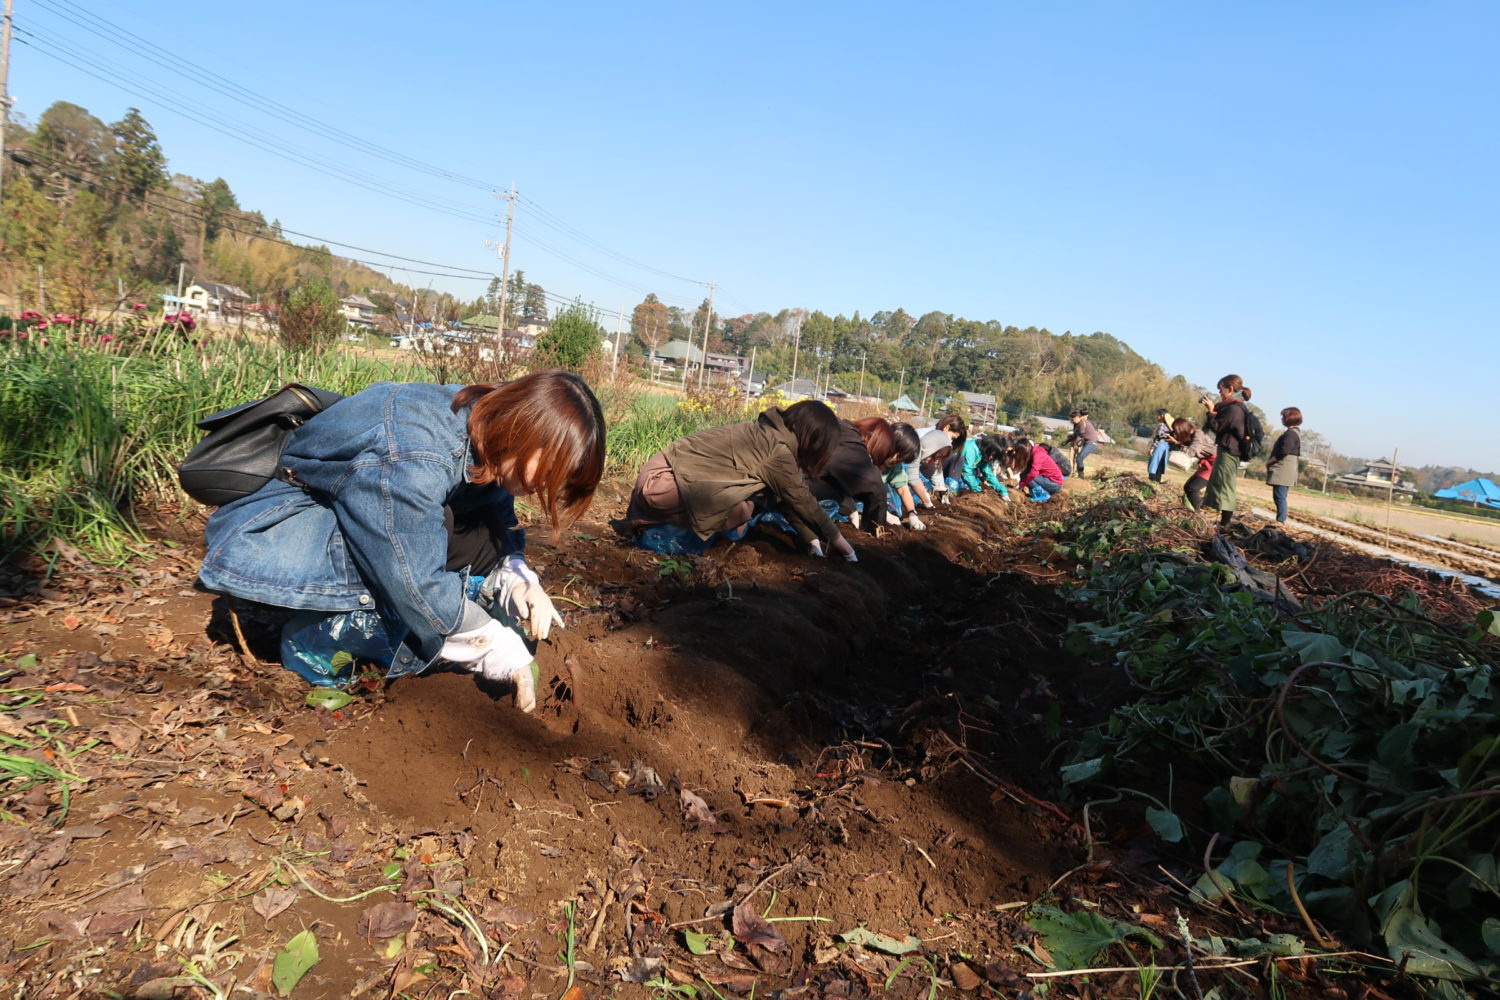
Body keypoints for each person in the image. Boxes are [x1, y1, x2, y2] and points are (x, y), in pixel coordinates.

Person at [198, 371, 607, 711]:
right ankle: (313, 636)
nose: (545, 486)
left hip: (363, 512)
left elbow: (496, 520)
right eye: (550, 470)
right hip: (278, 530)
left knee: (464, 533)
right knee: (412, 566)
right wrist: (488, 643)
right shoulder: (414, 459)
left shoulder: (486, 425)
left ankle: (459, 606)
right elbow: (413, 580)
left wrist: (517, 577)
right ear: (523, 429)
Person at [621, 399, 858, 561]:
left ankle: (649, 521)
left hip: (657, 477)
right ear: (813, 439)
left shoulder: (768, 433)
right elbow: (802, 501)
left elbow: (788, 499)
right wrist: (845, 548)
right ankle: (654, 526)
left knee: (761, 497)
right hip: (662, 485)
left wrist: (812, 540)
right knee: (747, 506)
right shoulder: (776, 450)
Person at [807, 416, 922, 535]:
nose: (897, 460)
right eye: (897, 455)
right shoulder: (856, 452)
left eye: (901, 459)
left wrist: (912, 513)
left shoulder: (893, 466)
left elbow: (903, 489)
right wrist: (853, 508)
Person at [1199, 374, 1254, 528]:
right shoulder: (1234, 407)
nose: (1219, 393)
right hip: (1228, 450)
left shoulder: (1235, 409)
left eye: (1220, 390)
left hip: (1230, 452)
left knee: (1226, 487)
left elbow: (1217, 427)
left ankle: (1225, 525)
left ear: (1229, 389)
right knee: (1222, 484)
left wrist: (1211, 411)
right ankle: (1223, 523)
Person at [911, 414, 966, 506]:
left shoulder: (938, 442)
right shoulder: (921, 437)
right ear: (946, 428)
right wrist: (925, 499)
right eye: (952, 438)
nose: (951, 442)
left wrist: (940, 487)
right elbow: (911, 472)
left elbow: (934, 466)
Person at [1265, 407, 1303, 523]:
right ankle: (1280, 520)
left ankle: (1280, 521)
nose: (1282, 419)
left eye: (1283, 417)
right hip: (1287, 468)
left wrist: (1271, 461)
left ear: (1289, 418)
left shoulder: (1290, 434)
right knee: (1280, 496)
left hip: (1283, 469)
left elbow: (1284, 451)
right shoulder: (1295, 432)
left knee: (1280, 496)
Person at [1170, 417, 1215, 510]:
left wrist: (1178, 444)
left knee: (1193, 488)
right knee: (1187, 487)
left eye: (1176, 432)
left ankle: (1197, 512)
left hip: (1214, 463)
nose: (1175, 434)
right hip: (1207, 462)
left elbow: (1192, 452)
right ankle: (1196, 507)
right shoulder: (1194, 434)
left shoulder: (1198, 434)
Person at [955, 432, 1010, 499]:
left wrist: (1002, 490)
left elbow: (988, 473)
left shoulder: (983, 453)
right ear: (988, 448)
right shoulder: (971, 449)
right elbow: (967, 471)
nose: (991, 457)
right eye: (992, 455)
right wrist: (977, 490)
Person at [1065, 409, 1101, 476]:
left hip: (1091, 443)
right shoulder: (1078, 423)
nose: (1072, 420)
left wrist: (1075, 442)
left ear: (1077, 417)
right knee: (1079, 458)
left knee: (1079, 458)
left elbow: (1081, 436)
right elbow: (1076, 435)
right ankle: (1079, 474)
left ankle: (1081, 475)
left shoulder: (1082, 423)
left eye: (1073, 418)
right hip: (1087, 442)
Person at [1146, 409, 1173, 483]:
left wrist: (1152, 448)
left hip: (1159, 446)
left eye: (1158, 415)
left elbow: (1158, 438)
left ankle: (1152, 480)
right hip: (1166, 447)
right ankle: (1157, 481)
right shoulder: (1170, 426)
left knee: (1154, 463)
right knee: (1160, 464)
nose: (1157, 417)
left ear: (1162, 416)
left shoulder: (1162, 425)